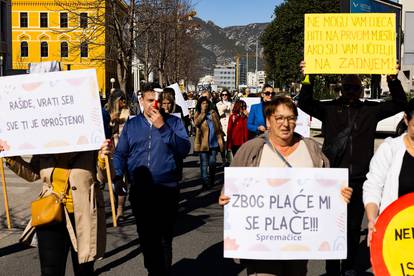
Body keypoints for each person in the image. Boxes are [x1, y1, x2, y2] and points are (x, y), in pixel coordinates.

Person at [219, 96, 353, 276]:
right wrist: (225, 196)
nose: (285, 124)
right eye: (279, 118)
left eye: (291, 118)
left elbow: (328, 188)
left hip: (299, 244)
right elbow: (231, 186)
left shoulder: (311, 148)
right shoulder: (252, 149)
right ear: (268, 121)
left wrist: (341, 194)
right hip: (262, 247)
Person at [297, 61, 407, 275]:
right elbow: (304, 102)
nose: (351, 92)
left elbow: (400, 103)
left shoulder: (370, 110)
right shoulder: (328, 109)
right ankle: (331, 268)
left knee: (353, 226)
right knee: (330, 225)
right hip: (332, 178)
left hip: (359, 177)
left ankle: (348, 267)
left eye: (355, 87)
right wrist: (308, 76)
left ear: (361, 90)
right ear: (340, 88)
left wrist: (393, 78)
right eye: (347, 87)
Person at [112, 82, 190, 276]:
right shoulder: (132, 124)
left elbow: (184, 149)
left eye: (157, 101)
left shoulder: (173, 122)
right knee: (146, 237)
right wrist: (118, 176)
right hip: (141, 190)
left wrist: (162, 127)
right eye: (149, 101)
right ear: (141, 101)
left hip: (167, 189)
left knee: (164, 238)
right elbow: (120, 154)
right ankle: (153, 270)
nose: (154, 105)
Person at [1, 140, 112, 276]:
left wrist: (103, 158)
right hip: (50, 213)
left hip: (84, 214)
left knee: (84, 269)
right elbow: (32, 174)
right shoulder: (45, 142)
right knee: (50, 270)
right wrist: (10, 157)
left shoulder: (91, 140)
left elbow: (104, 177)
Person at [363, 98, 414, 247]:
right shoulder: (390, 149)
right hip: (397, 233)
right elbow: (373, 185)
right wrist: (372, 219)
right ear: (406, 119)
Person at [106, 90, 131, 221]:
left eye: (124, 100)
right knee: (111, 181)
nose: (123, 102)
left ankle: (120, 210)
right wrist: (111, 120)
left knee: (121, 179)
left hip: (123, 149)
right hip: (110, 149)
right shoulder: (107, 112)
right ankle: (113, 205)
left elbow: (130, 126)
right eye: (121, 100)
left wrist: (122, 120)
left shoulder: (127, 112)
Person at [194, 96, 225, 189]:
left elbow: (218, 125)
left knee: (212, 163)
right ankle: (205, 182)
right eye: (203, 103)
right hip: (203, 143)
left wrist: (220, 137)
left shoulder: (213, 113)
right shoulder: (197, 113)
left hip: (214, 142)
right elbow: (196, 123)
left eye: (206, 103)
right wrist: (203, 113)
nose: (205, 105)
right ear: (200, 105)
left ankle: (211, 180)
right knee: (204, 164)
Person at [216, 90, 232, 165]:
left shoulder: (231, 103)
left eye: (226, 94)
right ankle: (223, 160)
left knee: (229, 144)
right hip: (222, 125)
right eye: (223, 94)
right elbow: (219, 113)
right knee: (222, 144)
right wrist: (226, 107)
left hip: (230, 124)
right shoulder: (218, 104)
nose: (224, 96)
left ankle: (229, 159)